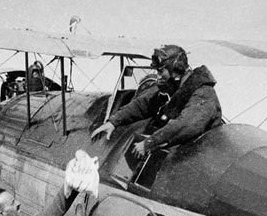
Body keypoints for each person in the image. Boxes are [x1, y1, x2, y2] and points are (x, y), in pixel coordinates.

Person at [91, 45, 223, 158]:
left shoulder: (203, 93)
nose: (158, 76)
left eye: (161, 71)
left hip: (205, 156)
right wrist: (113, 122)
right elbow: (145, 104)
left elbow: (186, 125)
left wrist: (150, 143)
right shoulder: (176, 88)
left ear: (175, 69)